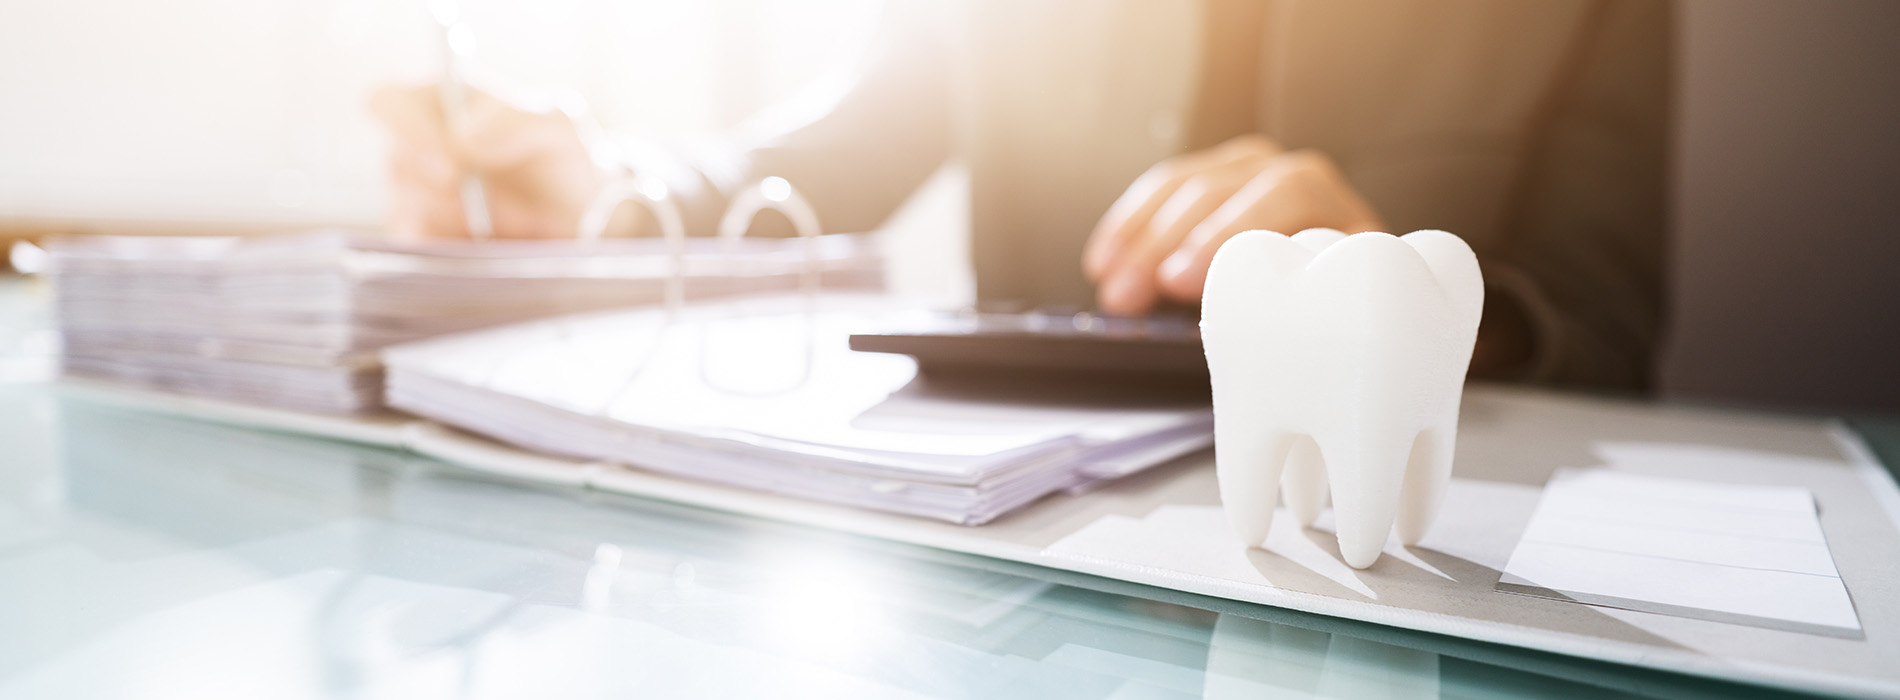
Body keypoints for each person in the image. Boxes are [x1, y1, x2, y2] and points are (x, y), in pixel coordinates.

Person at [374, 0, 1670, 391]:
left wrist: (1409, 295)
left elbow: (1604, 327)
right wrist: (610, 190)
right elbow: (810, 159)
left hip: (1408, 547)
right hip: (1033, 549)